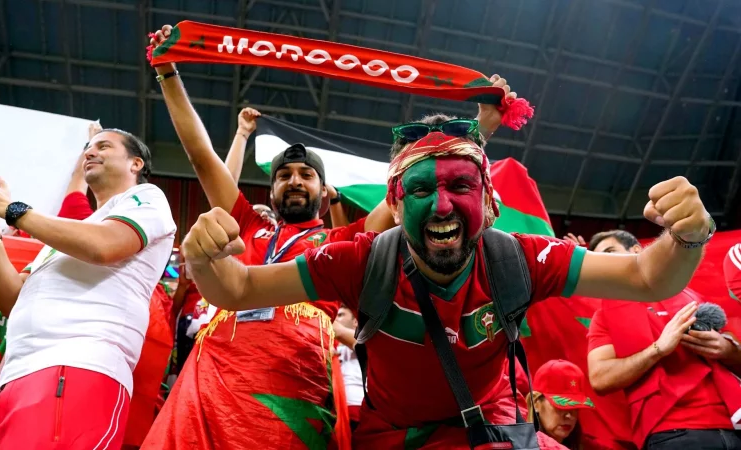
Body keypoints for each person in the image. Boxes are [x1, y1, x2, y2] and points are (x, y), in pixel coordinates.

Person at [180, 106, 716, 449]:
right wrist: (206, 259)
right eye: (419, 191)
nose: (441, 205)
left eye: (460, 185)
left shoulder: (521, 260)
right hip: (391, 438)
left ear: (488, 199)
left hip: (489, 432)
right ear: (394, 201)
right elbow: (240, 289)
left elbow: (650, 279)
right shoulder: (362, 259)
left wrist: (687, 235)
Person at [143, 24, 512, 450]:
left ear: (323, 194)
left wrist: (479, 132)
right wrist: (169, 75)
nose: (294, 181)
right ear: (272, 190)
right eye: (284, 176)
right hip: (212, 370)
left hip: (295, 377)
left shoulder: (344, 242)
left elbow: (415, 187)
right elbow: (200, 156)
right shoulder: (247, 223)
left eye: (306, 175)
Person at [0, 127, 177, 449]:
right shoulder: (66, 234)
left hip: (77, 366)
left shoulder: (147, 199)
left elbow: (104, 246)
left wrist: (9, 208)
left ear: (136, 164)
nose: (89, 153)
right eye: (87, 148)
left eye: (103, 146)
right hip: (12, 376)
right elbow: (14, 300)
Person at [587, 230, 741, 450]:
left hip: (733, 424)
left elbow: (737, 359)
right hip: (673, 433)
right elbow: (600, 379)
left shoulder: (695, 298)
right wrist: (657, 349)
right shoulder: (604, 316)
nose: (606, 263)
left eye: (610, 252)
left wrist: (727, 349)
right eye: (599, 260)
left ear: (637, 251)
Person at [526, 360, 594, 449]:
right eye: (561, 405)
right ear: (535, 403)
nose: (569, 416)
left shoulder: (587, 445)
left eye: (575, 407)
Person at [333, 306, 364, 429]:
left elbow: (339, 331)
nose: (336, 319)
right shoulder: (327, 347)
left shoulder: (367, 340)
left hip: (357, 410)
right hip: (332, 413)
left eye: (340, 315)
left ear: (355, 321)